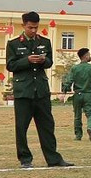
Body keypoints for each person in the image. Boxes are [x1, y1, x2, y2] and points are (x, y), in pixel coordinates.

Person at [7, 11, 72, 169]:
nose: (34, 31)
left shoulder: (45, 42)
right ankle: (25, 158)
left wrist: (44, 60)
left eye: (36, 27)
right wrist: (26, 60)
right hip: (23, 91)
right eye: (30, 27)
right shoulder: (13, 43)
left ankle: (53, 159)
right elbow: (10, 65)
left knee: (47, 126)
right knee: (21, 127)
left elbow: (50, 62)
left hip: (41, 90)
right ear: (23, 25)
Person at [65, 47, 91, 141]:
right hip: (88, 94)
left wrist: (65, 91)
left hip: (77, 94)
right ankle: (90, 128)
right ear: (86, 56)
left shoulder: (74, 68)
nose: (90, 56)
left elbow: (69, 81)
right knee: (90, 114)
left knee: (77, 115)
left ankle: (78, 135)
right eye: (89, 55)